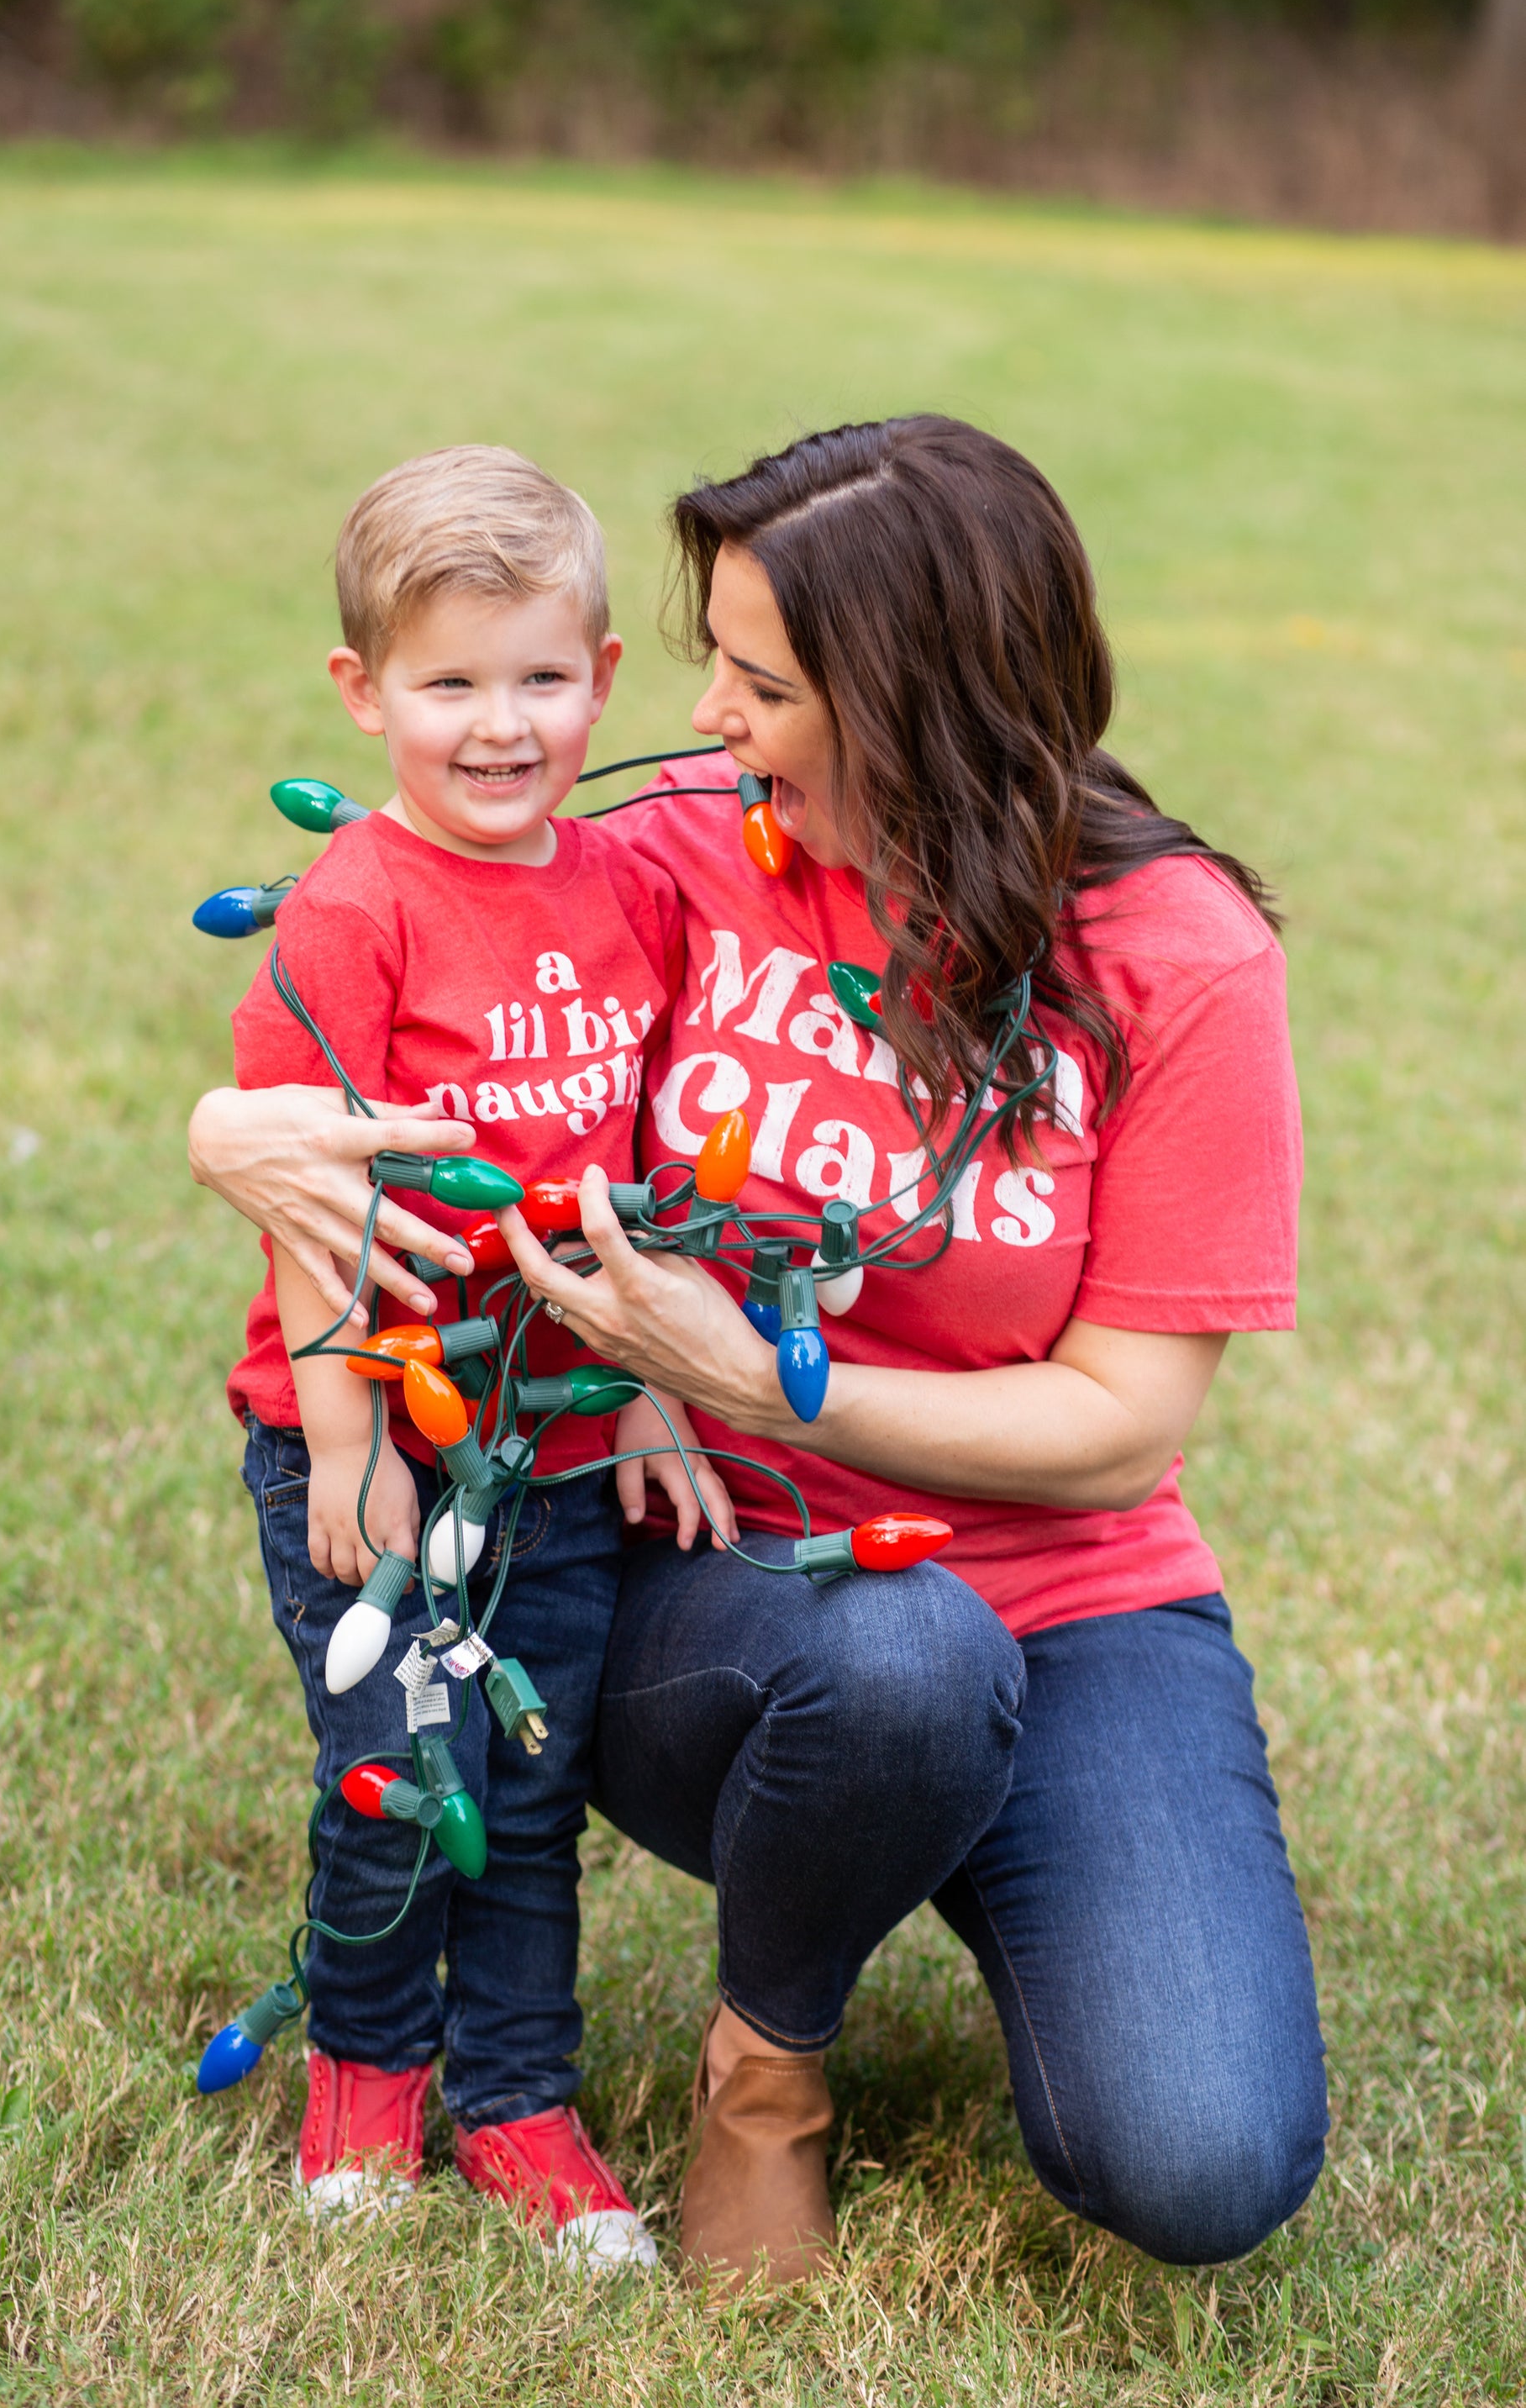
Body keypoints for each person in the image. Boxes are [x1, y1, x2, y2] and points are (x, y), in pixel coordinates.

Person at [190, 415, 1328, 2292]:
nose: (705, 711)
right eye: (711, 653)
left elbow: (1123, 1433)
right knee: (898, 1651)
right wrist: (228, 1130)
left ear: (915, 701)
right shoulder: (682, 846)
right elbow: (386, 933)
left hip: (1069, 1599)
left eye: (761, 678)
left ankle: (950, 1866)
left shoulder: (1170, 954)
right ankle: (767, 2069)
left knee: (1196, 2160)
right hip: (721, 1587)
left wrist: (743, 1369)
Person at [224, 444, 734, 2264]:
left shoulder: (628, 893)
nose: (499, 724)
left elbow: (646, 1178)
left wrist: (659, 1376)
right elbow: (312, 1199)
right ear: (365, 694)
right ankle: (366, 2073)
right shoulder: (353, 906)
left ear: (601, 675)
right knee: (393, 1766)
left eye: (537, 677)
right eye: (449, 683)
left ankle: (515, 2093)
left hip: (565, 1445)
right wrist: (353, 1437)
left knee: (520, 1786)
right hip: (373, 1443)